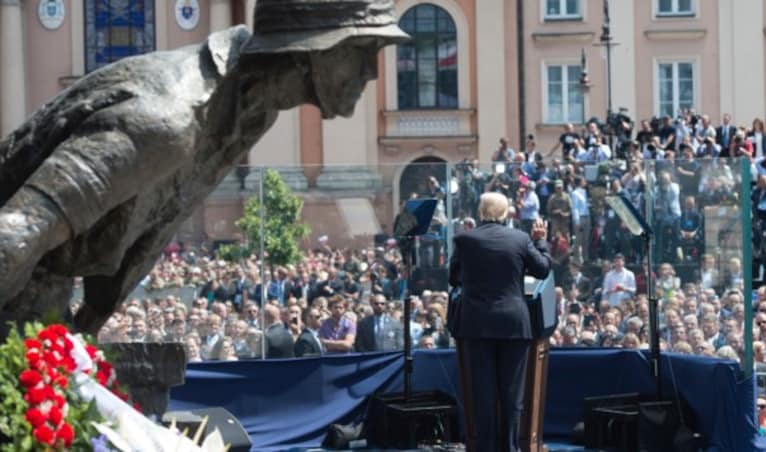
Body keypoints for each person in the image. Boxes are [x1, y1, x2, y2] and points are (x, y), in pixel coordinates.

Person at [0, 0, 409, 335]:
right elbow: (16, 230)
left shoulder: (248, 108)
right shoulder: (168, 118)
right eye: (361, 51)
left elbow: (163, 215)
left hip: (40, 294)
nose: (372, 71)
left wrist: (90, 322)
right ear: (310, 51)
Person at [448, 192, 552, 452]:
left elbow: (453, 278)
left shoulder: (464, 239)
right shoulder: (520, 238)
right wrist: (541, 242)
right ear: (506, 214)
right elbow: (542, 270)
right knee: (511, 394)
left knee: (482, 394)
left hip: (476, 325)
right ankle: (509, 448)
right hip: (513, 324)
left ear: (480, 211)